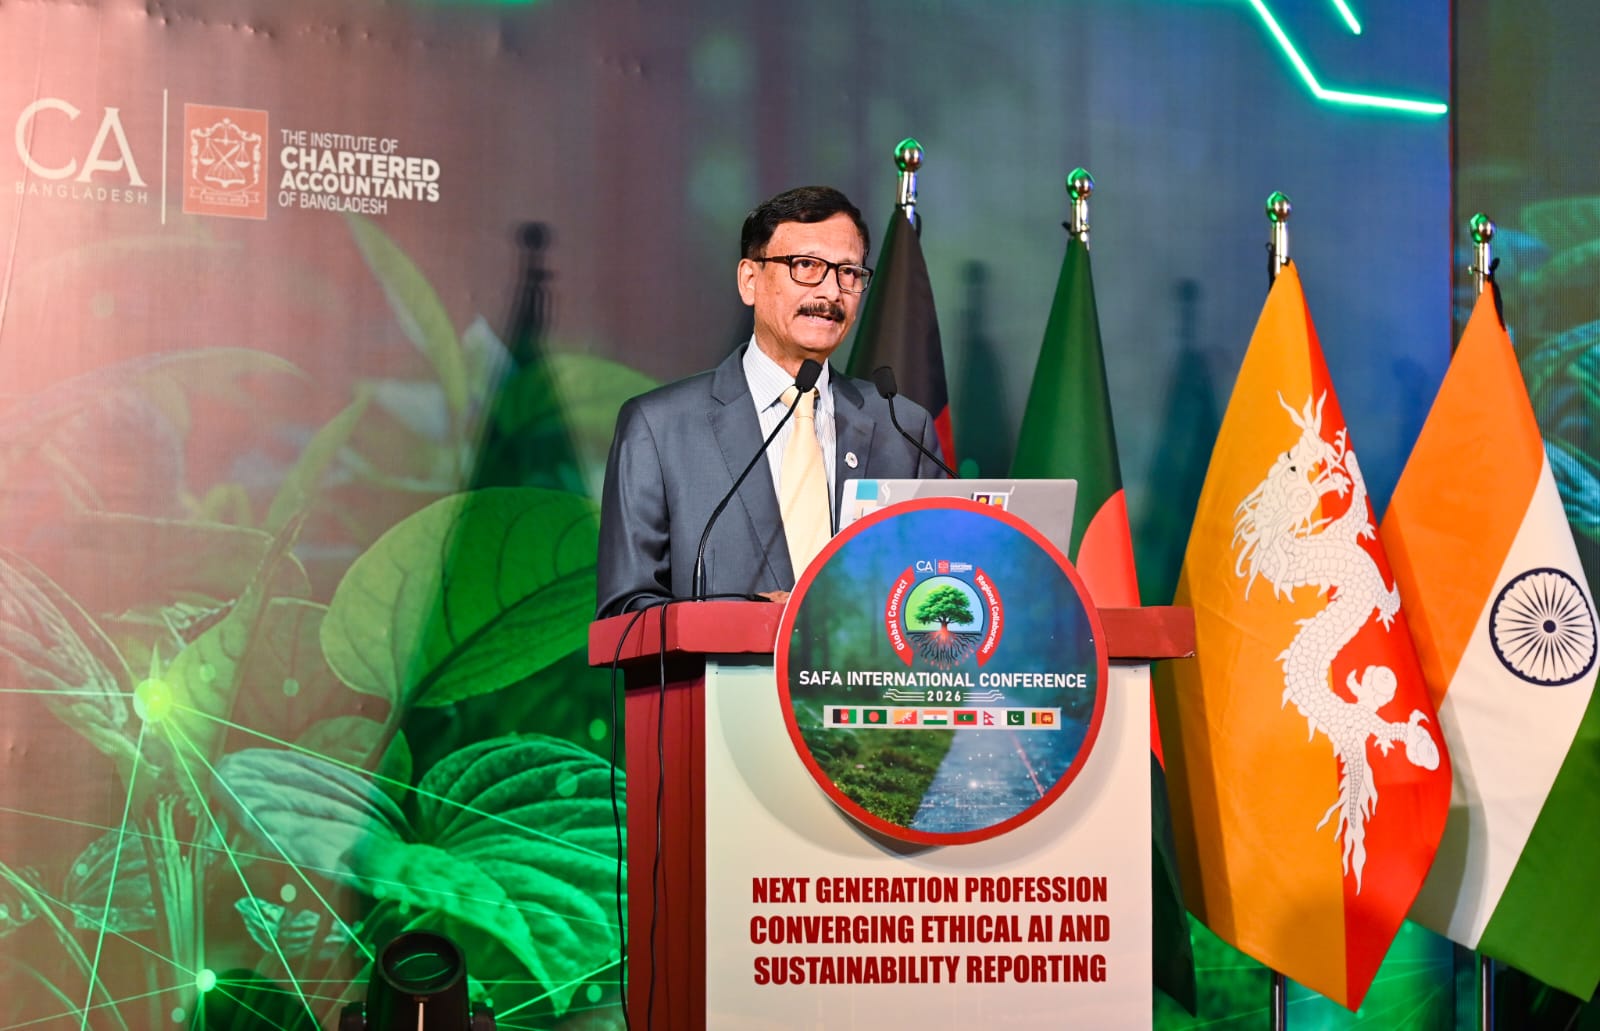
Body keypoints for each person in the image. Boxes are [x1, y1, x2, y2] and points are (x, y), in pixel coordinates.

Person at [596, 185, 945, 617]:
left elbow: (937, 585)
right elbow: (626, 613)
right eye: (806, 266)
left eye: (849, 273)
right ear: (750, 281)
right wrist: (751, 618)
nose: (831, 294)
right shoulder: (659, 428)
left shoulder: (903, 430)